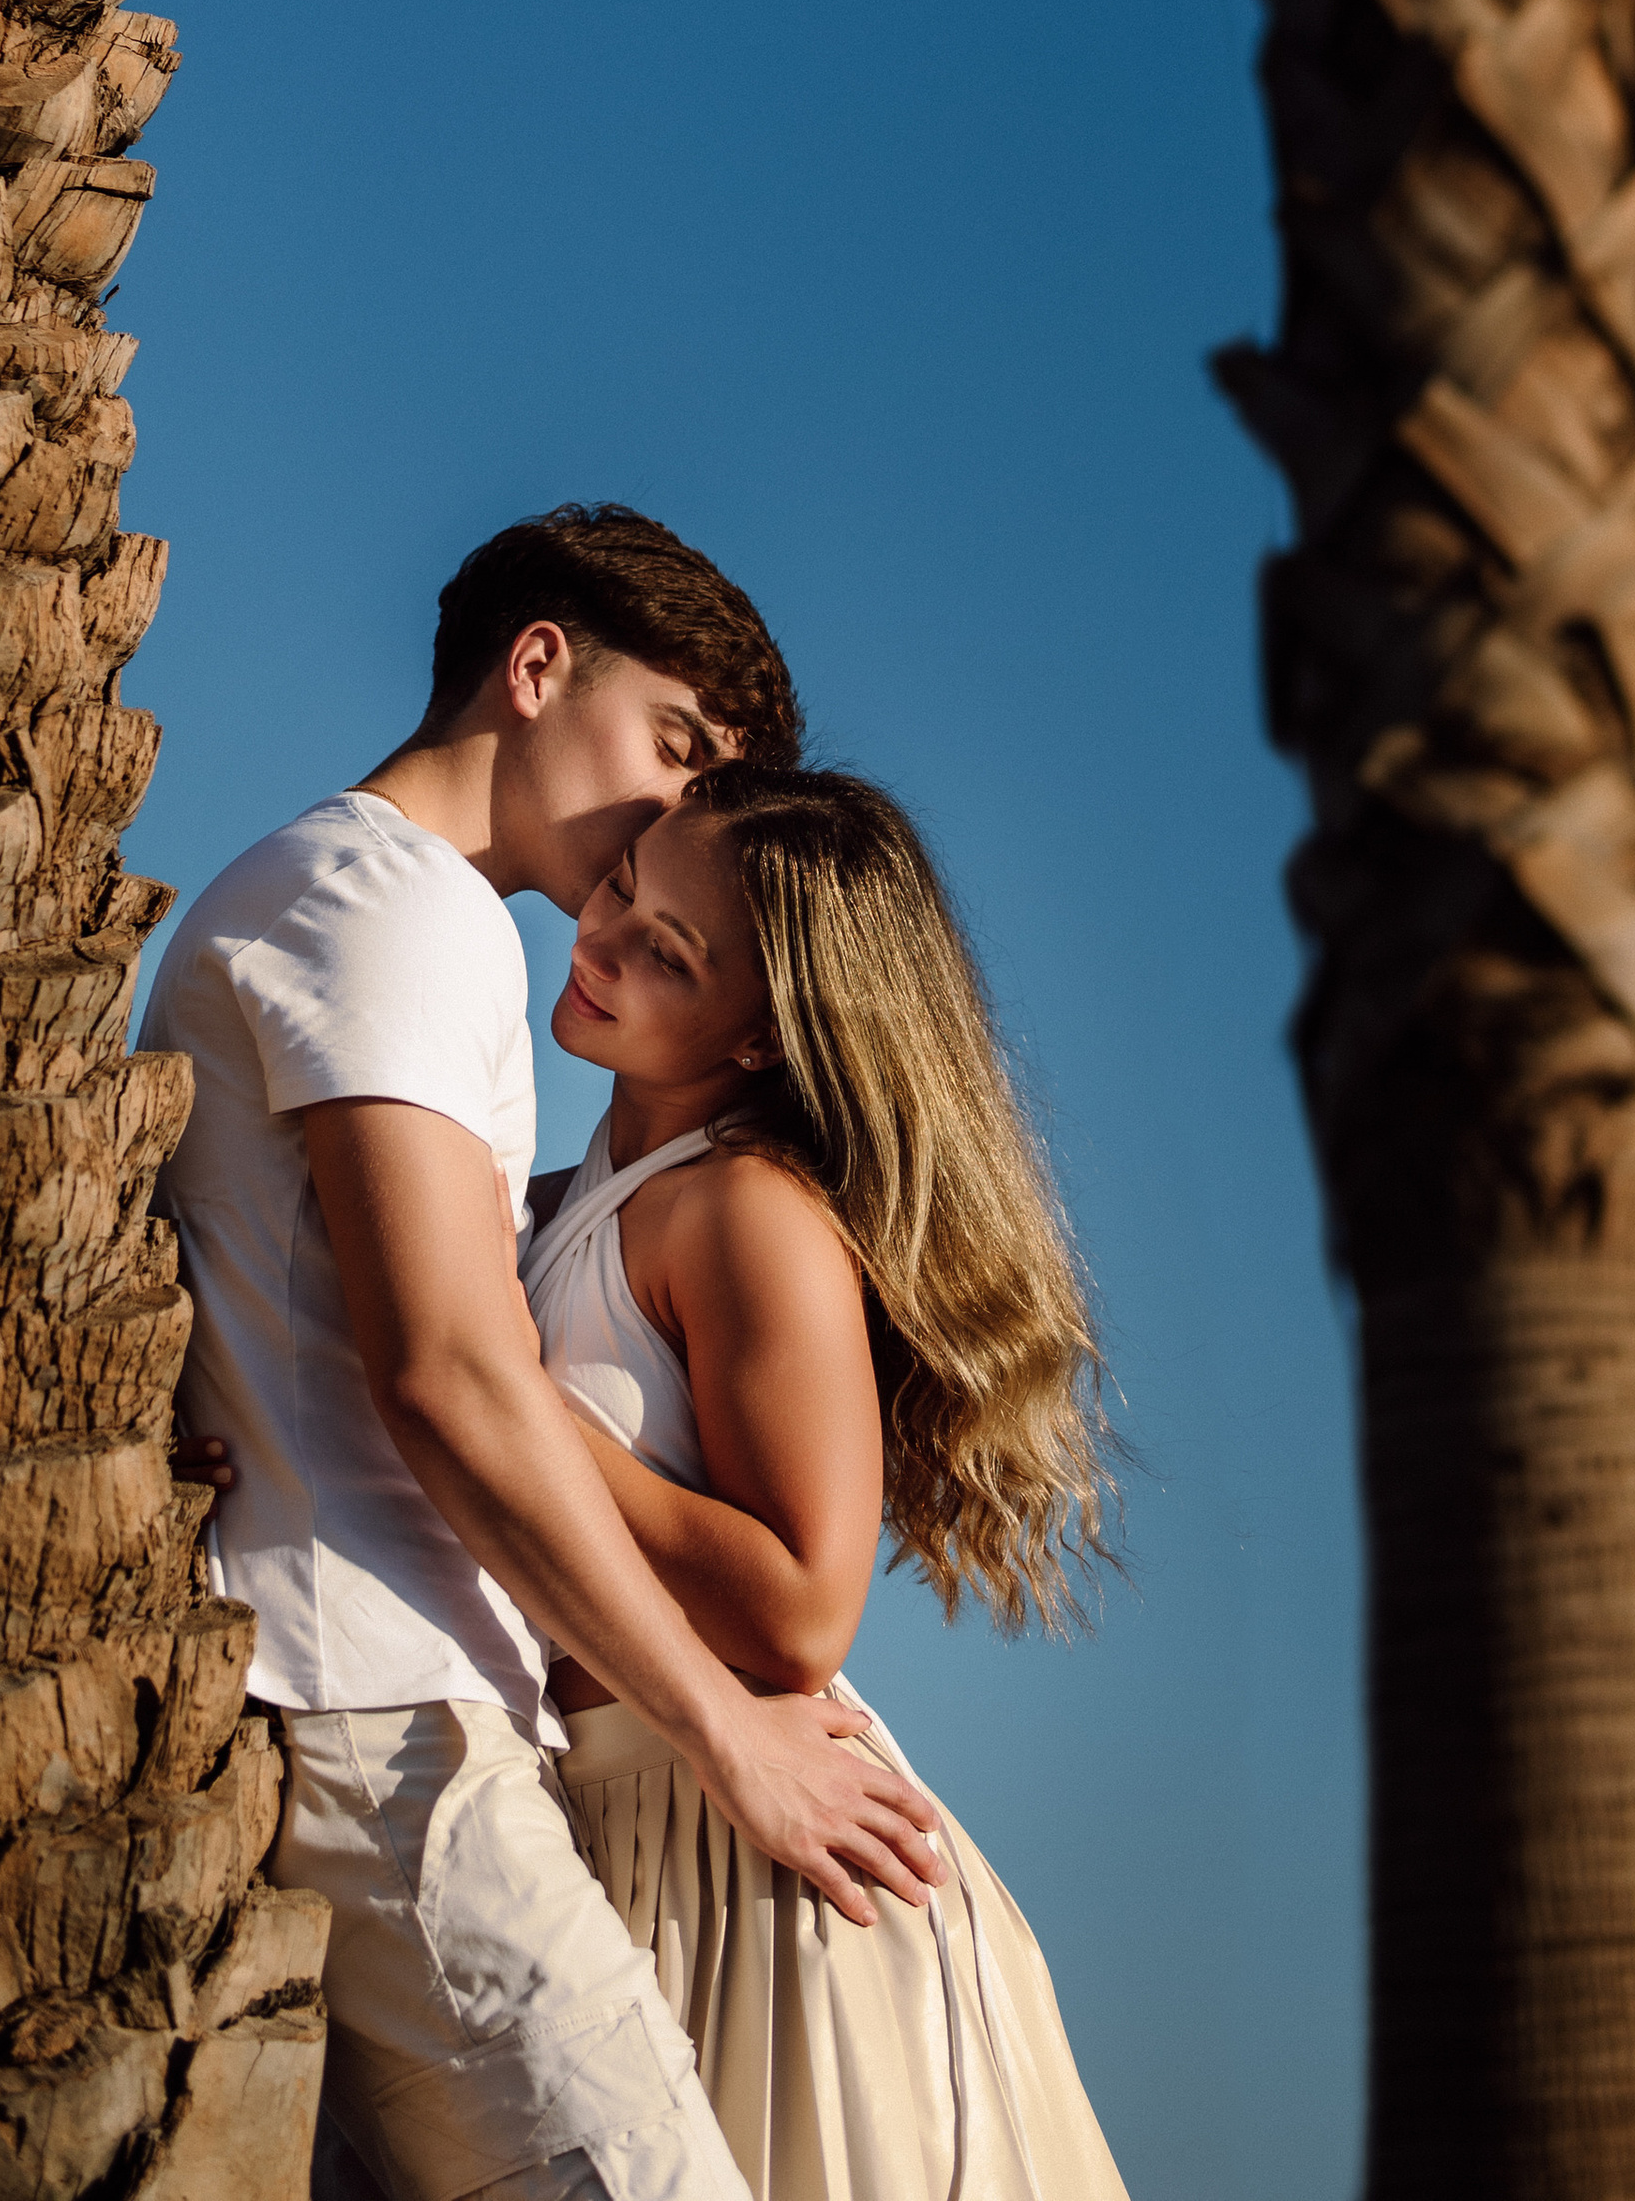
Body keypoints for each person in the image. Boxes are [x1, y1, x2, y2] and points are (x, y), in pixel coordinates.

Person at [145, 505, 942, 2201]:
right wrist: (734, 1743)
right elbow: (444, 1372)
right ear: (534, 667)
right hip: (386, 1706)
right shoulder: (393, 907)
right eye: (672, 743)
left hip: (392, 1698)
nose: (676, 810)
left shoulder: (368, 905)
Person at [515, 759, 1131, 2201]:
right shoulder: (578, 1191)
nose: (598, 940)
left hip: (764, 1870)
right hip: (627, 1824)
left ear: (759, 1042)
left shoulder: (745, 1213)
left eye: (665, 952)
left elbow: (803, 1608)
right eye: (622, 887)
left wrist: (528, 1421)